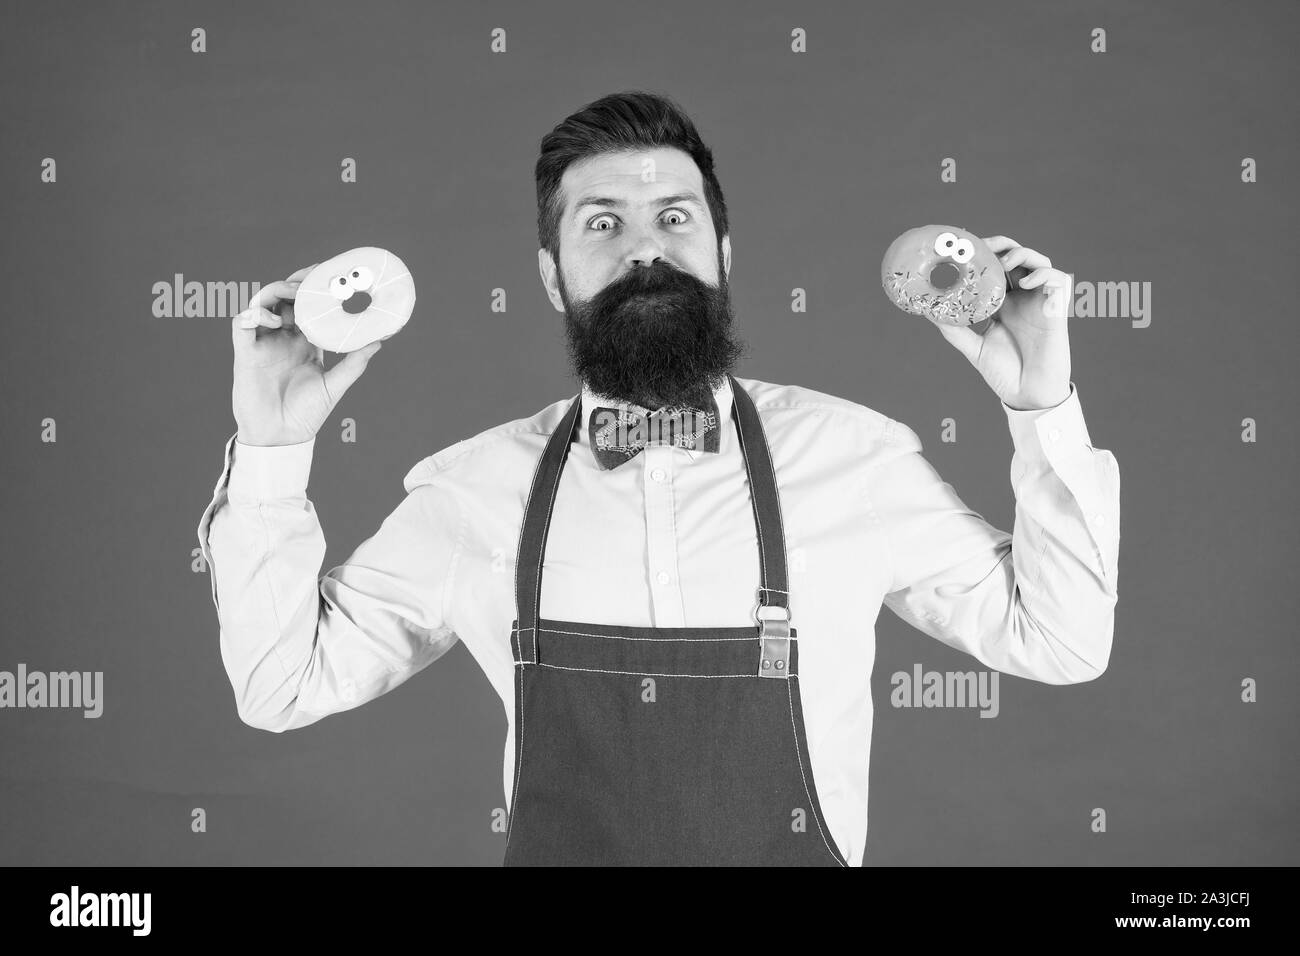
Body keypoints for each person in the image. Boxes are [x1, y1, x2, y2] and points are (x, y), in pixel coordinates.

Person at [197, 90, 1120, 866]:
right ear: (553, 277)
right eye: (603, 223)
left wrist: (1043, 406)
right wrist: (273, 450)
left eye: (675, 217)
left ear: (724, 253)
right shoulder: (474, 492)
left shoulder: (855, 460)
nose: (647, 249)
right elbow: (283, 685)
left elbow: (1062, 642)